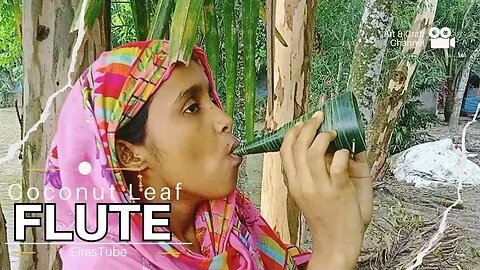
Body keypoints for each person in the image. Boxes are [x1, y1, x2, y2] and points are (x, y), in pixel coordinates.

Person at [44, 40, 373, 269]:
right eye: (191, 108)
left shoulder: (227, 227)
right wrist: (334, 252)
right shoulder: (105, 261)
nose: (224, 119)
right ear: (129, 154)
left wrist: (344, 227)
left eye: (211, 99)